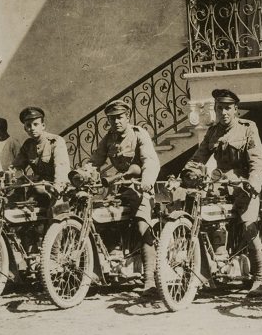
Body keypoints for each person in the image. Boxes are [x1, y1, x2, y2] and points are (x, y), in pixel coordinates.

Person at [184, 88, 262, 292]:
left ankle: (260, 277)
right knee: (202, 220)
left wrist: (254, 182)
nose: (224, 112)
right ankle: (206, 273)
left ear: (236, 110)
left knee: (249, 226)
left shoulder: (248, 128)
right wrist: (188, 172)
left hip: (244, 186)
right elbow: (199, 156)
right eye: (220, 108)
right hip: (220, 186)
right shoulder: (213, 132)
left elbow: (258, 159)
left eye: (228, 108)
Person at [86, 99, 160, 293]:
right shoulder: (109, 138)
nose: (116, 122)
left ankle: (150, 280)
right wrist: (84, 174)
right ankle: (109, 260)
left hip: (139, 187)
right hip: (119, 187)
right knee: (101, 216)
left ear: (127, 117)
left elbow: (149, 161)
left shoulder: (138, 134)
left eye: (119, 117)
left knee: (143, 225)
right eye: (112, 119)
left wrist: (147, 180)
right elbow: (95, 160)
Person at [11, 107, 70, 194]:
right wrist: (6, 177)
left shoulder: (55, 141)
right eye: (28, 125)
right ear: (25, 129)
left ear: (43, 126)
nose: (32, 128)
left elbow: (61, 166)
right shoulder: (28, 145)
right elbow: (16, 166)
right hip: (37, 187)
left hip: (55, 188)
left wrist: (58, 186)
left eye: (35, 124)